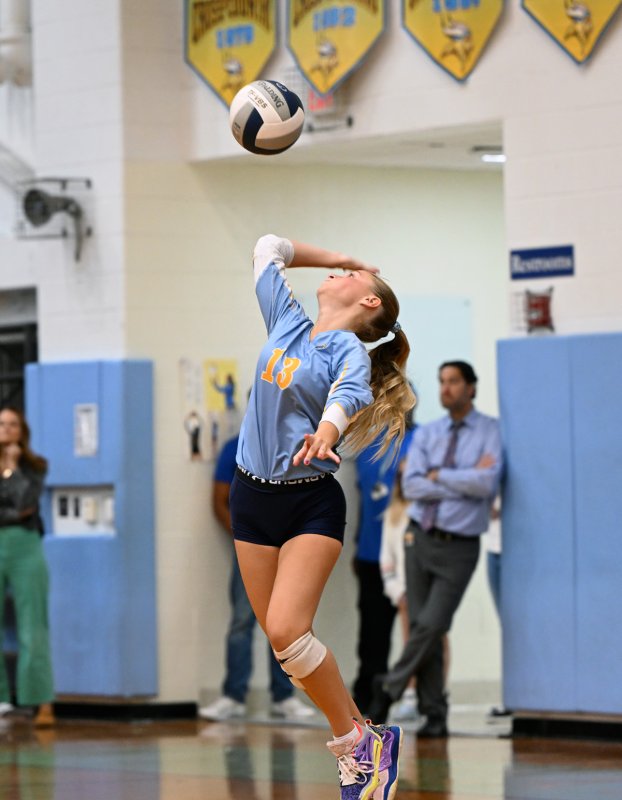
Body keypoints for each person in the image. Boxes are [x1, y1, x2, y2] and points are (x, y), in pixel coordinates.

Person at [230, 234, 415, 799]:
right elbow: (269, 247)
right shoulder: (286, 319)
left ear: (370, 304)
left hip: (309, 500)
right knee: (286, 648)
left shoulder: (348, 351)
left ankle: (352, 745)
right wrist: (342, 260)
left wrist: (328, 430)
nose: (335, 278)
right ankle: (366, 740)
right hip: (250, 497)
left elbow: (349, 393)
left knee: (287, 628)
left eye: (350, 279)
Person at [368, 361, 502, 738]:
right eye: (442, 381)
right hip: (419, 540)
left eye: (454, 381)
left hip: (459, 547)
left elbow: (487, 483)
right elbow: (412, 487)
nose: (446, 388)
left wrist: (438, 476)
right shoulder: (428, 434)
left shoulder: (489, 431)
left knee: (431, 623)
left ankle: (389, 687)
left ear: (471, 388)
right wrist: (461, 480)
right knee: (424, 628)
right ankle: (434, 713)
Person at [199, 432, 314, 722]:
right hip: (251, 547)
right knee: (242, 620)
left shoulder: (297, 444)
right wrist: (246, 541)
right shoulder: (234, 447)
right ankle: (233, 696)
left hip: (288, 547)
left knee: (287, 625)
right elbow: (219, 500)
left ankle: (284, 696)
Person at [351, 409, 415, 717]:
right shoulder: (367, 445)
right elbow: (364, 500)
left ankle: (422, 699)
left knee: (418, 630)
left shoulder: (422, 440)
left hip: (410, 554)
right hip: (370, 553)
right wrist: (355, 545)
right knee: (371, 635)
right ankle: (367, 704)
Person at [0, 407, 55, 727]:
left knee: (33, 624)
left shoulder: (35, 466)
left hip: (26, 545)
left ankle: (40, 700)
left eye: (12, 424)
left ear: (22, 430)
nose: (6, 429)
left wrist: (11, 466)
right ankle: (2, 699)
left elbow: (25, 504)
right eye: (1, 424)